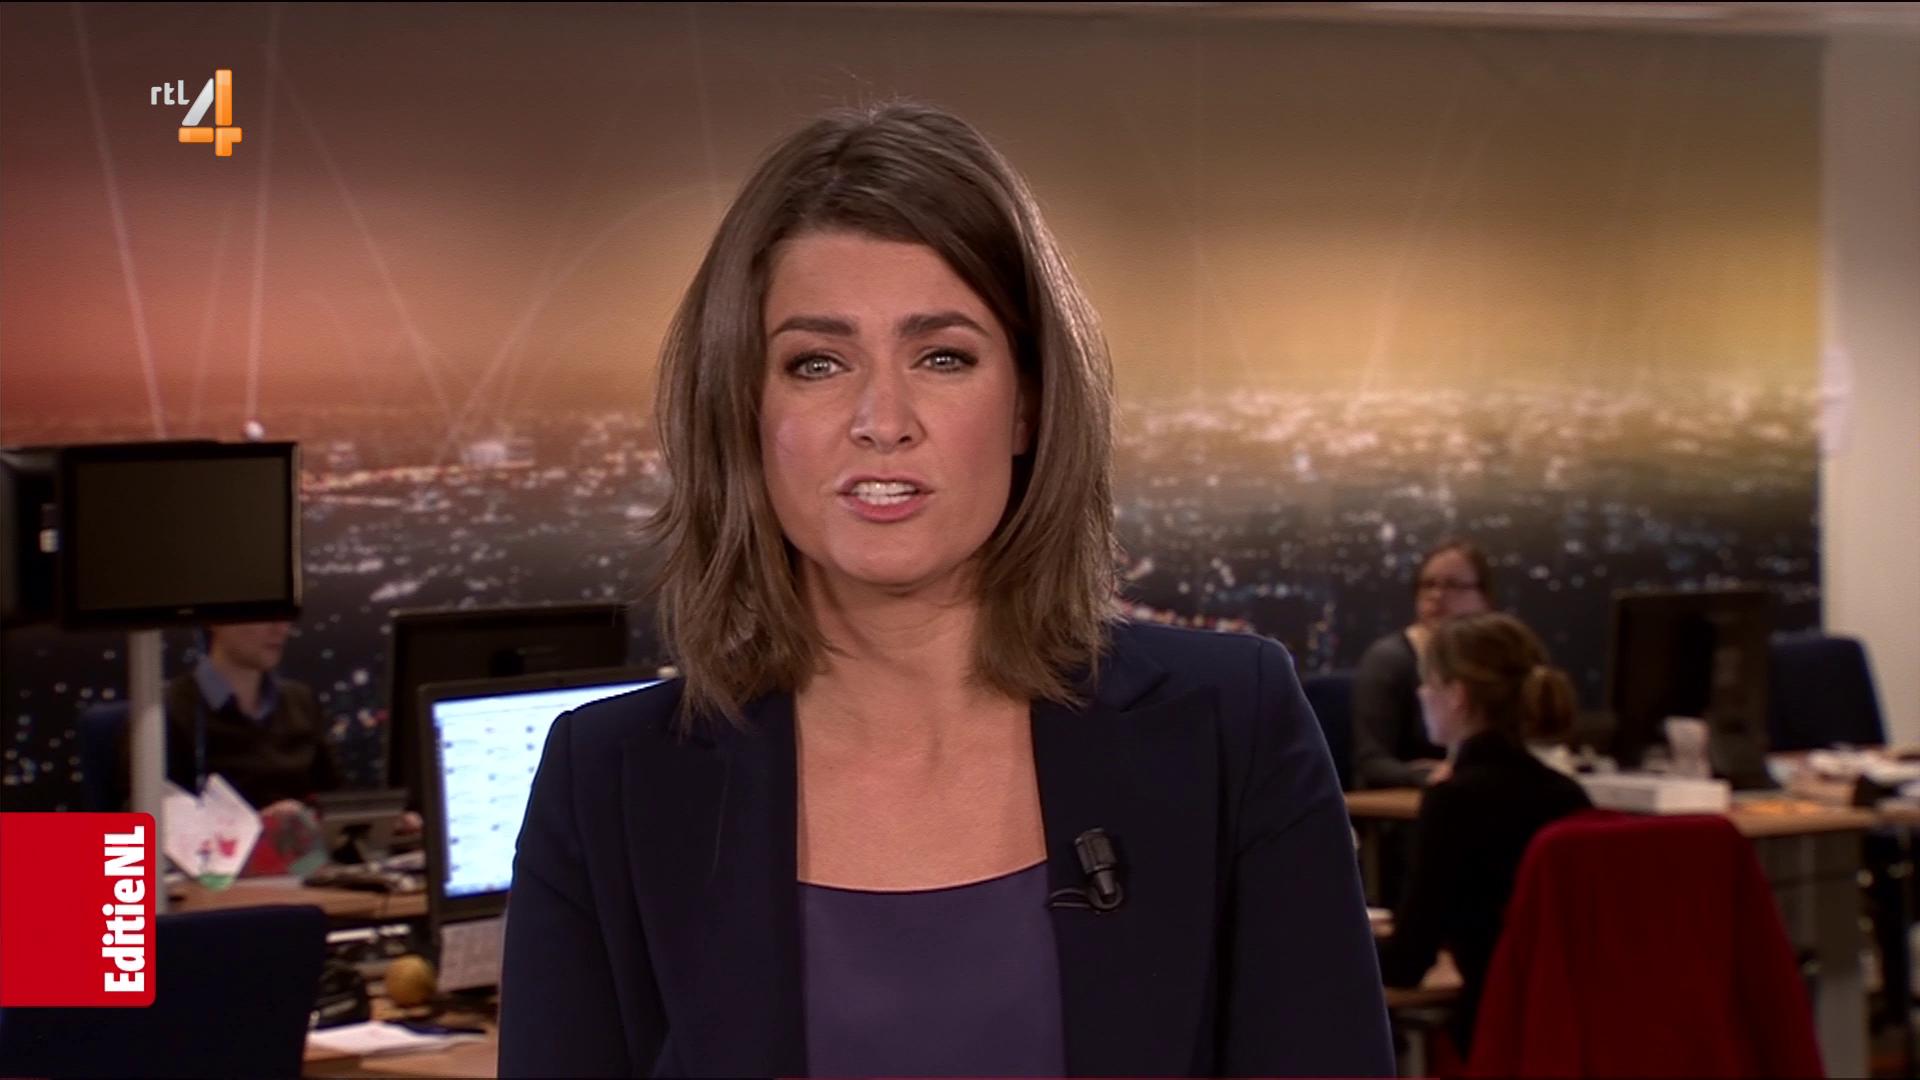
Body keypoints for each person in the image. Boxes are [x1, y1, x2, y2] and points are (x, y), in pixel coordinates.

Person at [498, 102, 1394, 1078]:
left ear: (1028, 404)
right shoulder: (610, 781)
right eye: (817, 363)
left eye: (943, 356)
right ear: (743, 411)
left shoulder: (1232, 725)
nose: (882, 419)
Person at [1376, 611, 1592, 1061]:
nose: (1421, 694)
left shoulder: (1453, 801)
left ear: (1456, 696)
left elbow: (1407, 963)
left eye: (1428, 683)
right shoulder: (1569, 796)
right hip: (1565, 1033)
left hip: (1491, 1034)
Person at [1351, 539, 1496, 790]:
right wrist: (1432, 774)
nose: (1437, 596)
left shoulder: (1497, 660)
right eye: (1428, 585)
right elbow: (1371, 763)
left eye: (1453, 585)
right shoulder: (1389, 659)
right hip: (1410, 801)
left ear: (1484, 598)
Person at [165, 620, 338, 813]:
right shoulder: (167, 712)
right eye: (263, 613)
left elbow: (330, 799)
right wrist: (260, 825)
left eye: (285, 614)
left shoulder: (301, 702)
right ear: (215, 620)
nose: (280, 627)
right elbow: (141, 826)